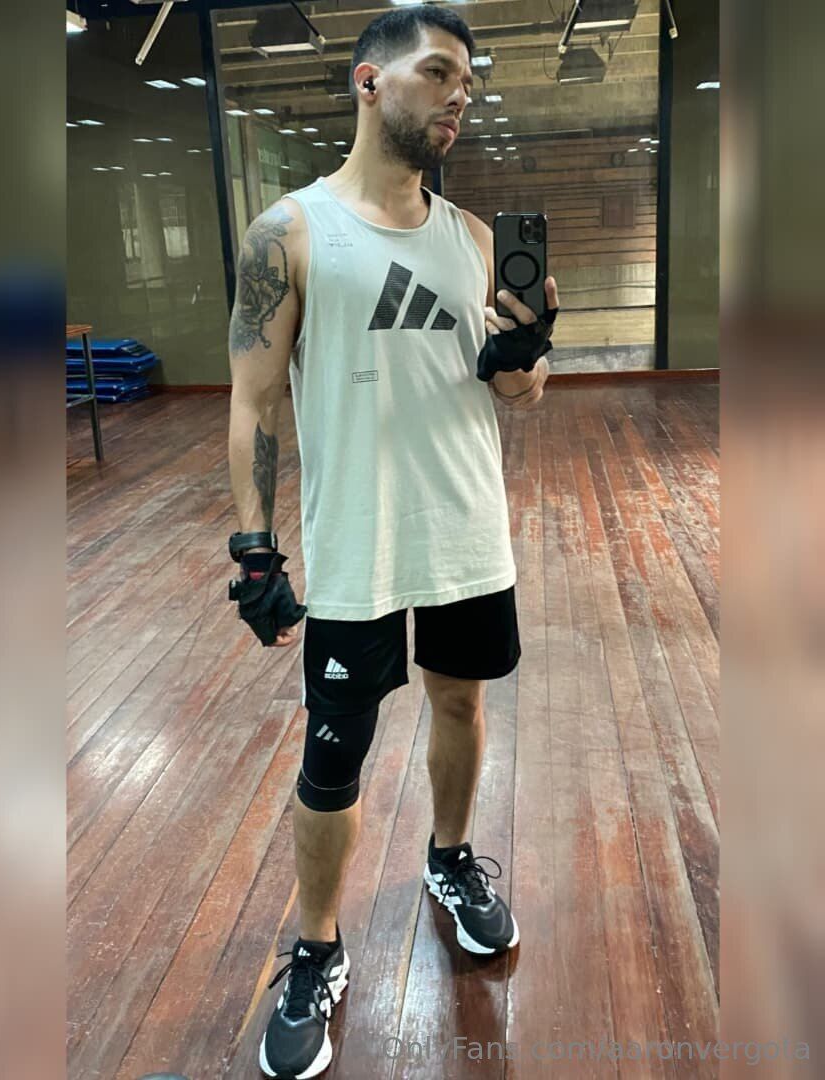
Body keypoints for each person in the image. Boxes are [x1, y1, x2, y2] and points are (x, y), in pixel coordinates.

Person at [226, 6, 560, 1077]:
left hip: (464, 530)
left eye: (470, 78)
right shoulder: (289, 232)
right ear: (369, 81)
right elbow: (253, 399)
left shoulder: (474, 240)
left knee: (461, 704)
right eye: (439, 71)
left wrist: (526, 358)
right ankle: (317, 948)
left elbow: (516, 394)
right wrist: (253, 548)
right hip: (355, 542)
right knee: (335, 753)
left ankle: (450, 860)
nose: (461, 93)